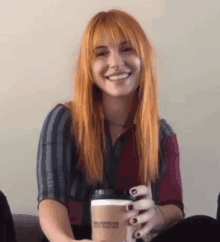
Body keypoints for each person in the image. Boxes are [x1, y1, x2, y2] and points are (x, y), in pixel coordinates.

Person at [37, 8, 184, 242]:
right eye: (101, 53)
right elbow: (50, 199)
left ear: (143, 57)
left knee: (203, 226)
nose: (115, 63)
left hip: (130, 238)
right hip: (74, 237)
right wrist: (65, 241)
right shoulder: (63, 120)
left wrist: (155, 215)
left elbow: (174, 207)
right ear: (88, 66)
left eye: (126, 49)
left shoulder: (162, 134)